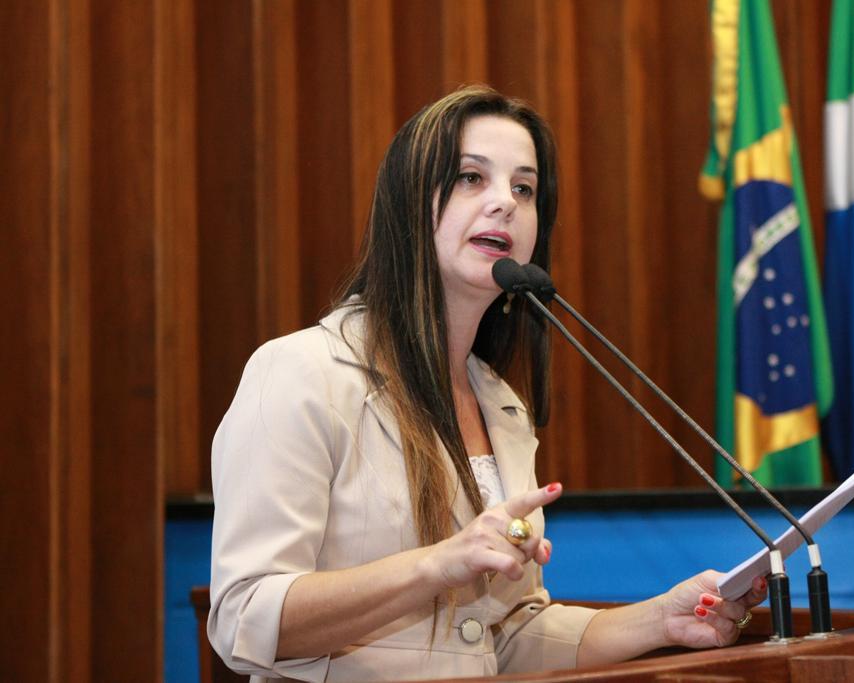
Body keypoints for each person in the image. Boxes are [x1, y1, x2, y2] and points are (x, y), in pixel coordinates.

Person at [207, 85, 767, 682]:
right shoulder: (301, 373)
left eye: (524, 188)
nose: (505, 202)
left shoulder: (502, 407)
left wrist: (661, 620)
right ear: (407, 203)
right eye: (472, 177)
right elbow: (245, 617)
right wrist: (437, 566)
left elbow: (503, 636)